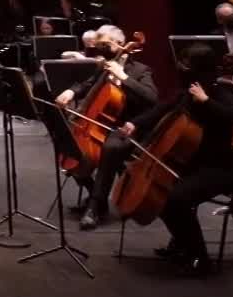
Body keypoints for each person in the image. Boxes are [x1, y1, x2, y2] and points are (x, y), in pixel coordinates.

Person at [118, 41, 233, 276]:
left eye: (187, 64)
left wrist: (206, 101)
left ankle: (201, 258)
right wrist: (135, 123)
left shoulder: (220, 90)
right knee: (159, 195)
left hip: (221, 168)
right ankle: (183, 244)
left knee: (175, 199)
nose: (182, 68)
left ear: (201, 67)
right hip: (193, 164)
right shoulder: (187, 91)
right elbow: (161, 109)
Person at [51, 26, 158, 230]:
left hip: (128, 126)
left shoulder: (141, 70)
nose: (102, 49)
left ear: (119, 43)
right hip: (99, 124)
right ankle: (95, 193)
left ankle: (94, 206)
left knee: (110, 149)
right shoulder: (104, 67)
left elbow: (152, 99)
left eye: (105, 45)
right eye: (99, 45)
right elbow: (87, 84)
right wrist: (71, 92)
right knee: (70, 146)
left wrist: (124, 77)